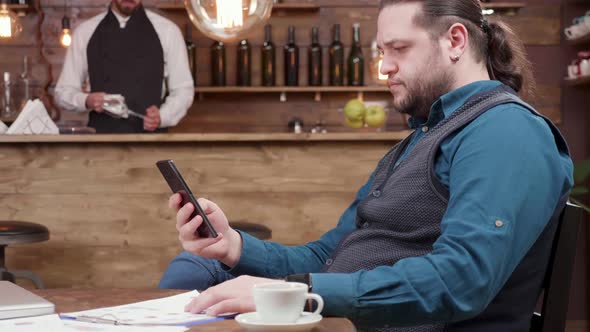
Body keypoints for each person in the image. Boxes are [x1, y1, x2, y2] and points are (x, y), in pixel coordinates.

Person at [159, 0, 573, 330]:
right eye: (382, 52)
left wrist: (298, 293)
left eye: (399, 49)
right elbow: (329, 255)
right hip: (344, 321)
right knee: (200, 263)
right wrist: (233, 246)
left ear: (456, 41)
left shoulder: (505, 131)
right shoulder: (424, 137)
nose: (385, 67)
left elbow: (461, 280)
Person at [54, 0, 194, 133]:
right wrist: (86, 100)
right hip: (101, 141)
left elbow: (183, 89)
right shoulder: (85, 32)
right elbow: (63, 91)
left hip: (151, 139)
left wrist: (163, 116)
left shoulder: (168, 31)